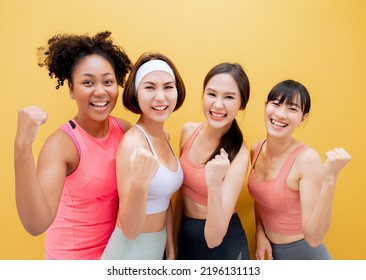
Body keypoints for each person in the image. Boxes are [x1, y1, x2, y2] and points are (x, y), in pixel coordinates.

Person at [14, 31, 133, 260]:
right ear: (71, 89)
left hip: (115, 256)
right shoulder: (62, 145)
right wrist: (22, 145)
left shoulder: (124, 130)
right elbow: (35, 224)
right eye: (87, 82)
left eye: (108, 82)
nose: (100, 91)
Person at [247, 79, 351, 260]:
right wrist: (260, 233)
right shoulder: (256, 150)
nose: (280, 114)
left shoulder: (307, 159)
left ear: (303, 118)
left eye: (292, 109)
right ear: (265, 106)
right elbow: (261, 199)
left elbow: (314, 238)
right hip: (273, 255)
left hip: (306, 257)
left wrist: (330, 178)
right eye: (276, 104)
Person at [101, 52, 186, 260]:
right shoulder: (134, 144)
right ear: (136, 94)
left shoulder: (164, 136)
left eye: (168, 87)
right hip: (129, 252)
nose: (160, 97)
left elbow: (164, 199)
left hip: (157, 247)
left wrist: (171, 249)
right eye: (149, 87)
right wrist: (140, 183)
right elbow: (129, 230)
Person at [174, 62, 251, 260]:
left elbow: (214, 238)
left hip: (223, 247)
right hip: (186, 242)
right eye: (211, 94)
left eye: (229, 97)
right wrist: (173, 244)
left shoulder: (239, 155)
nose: (218, 105)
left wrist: (215, 184)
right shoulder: (188, 131)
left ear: (241, 104)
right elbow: (180, 196)